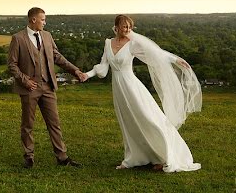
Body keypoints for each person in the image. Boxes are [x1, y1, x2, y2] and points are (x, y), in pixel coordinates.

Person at [84, 14, 201, 172]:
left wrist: (175, 60)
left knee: (148, 119)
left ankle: (165, 156)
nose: (127, 29)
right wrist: (87, 75)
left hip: (133, 87)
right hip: (118, 90)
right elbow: (103, 67)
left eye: (129, 27)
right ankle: (133, 158)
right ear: (116, 27)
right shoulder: (108, 43)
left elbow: (154, 54)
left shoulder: (132, 44)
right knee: (128, 124)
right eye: (124, 26)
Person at [7, 7, 88, 168]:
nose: (45, 22)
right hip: (29, 88)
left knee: (54, 122)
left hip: (48, 86)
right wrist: (25, 81)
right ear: (33, 20)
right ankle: (29, 156)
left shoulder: (47, 36)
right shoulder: (18, 38)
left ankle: (62, 157)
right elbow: (12, 65)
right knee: (28, 124)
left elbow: (58, 57)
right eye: (42, 19)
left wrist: (75, 70)